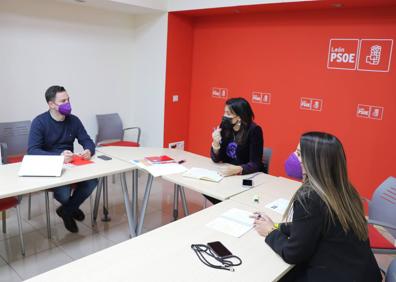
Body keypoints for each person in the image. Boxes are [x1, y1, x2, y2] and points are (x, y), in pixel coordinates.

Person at [253, 132, 381, 282]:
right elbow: (313, 226)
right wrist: (279, 226)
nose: (294, 157)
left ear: (315, 162)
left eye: (299, 154)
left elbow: (292, 254)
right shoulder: (345, 190)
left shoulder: (310, 198)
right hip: (364, 273)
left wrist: (270, 232)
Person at [28, 85, 98, 233]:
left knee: (93, 181)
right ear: (51, 104)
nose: (68, 104)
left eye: (68, 99)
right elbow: (32, 151)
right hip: (51, 167)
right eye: (63, 101)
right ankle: (71, 208)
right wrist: (58, 157)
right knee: (64, 193)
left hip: (71, 165)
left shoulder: (74, 120)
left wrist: (88, 150)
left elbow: (87, 140)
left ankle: (67, 210)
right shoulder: (39, 122)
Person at [208, 97, 264, 204]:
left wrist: (237, 169)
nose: (225, 116)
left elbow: (256, 164)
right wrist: (215, 143)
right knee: (209, 190)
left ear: (240, 116)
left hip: (244, 177)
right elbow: (216, 159)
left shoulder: (254, 130)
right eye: (224, 112)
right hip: (226, 176)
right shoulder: (224, 126)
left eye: (228, 114)